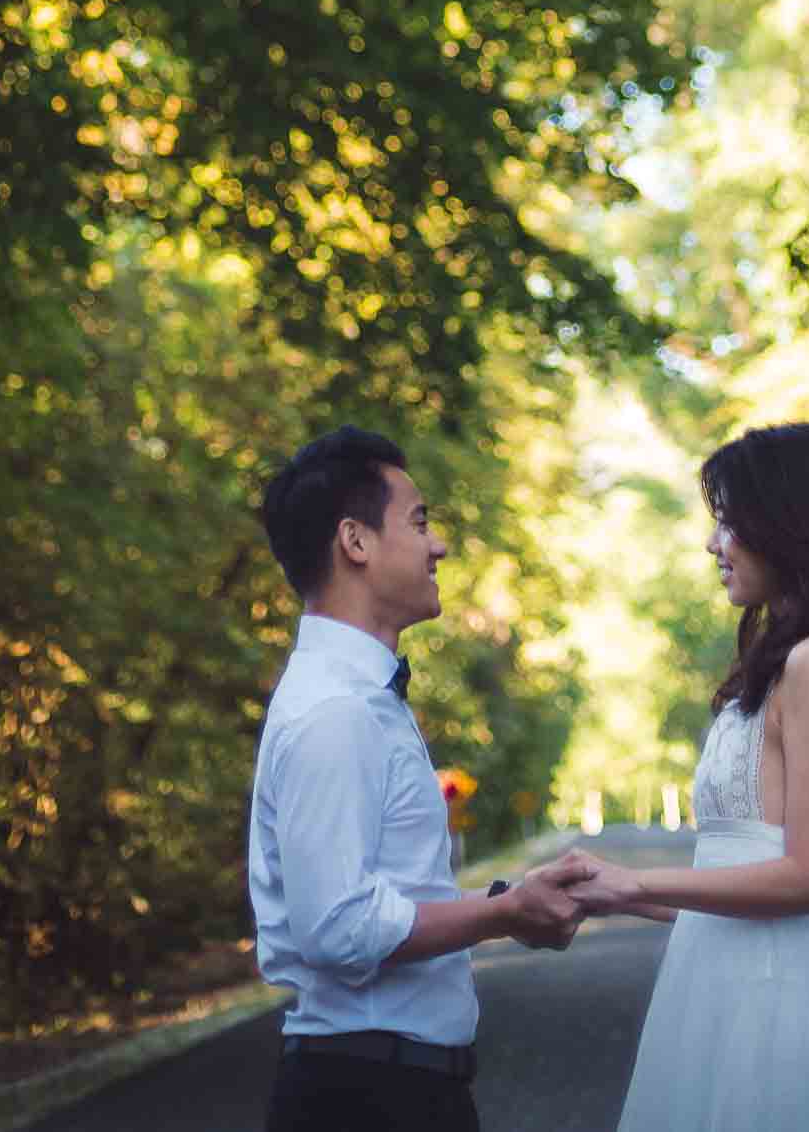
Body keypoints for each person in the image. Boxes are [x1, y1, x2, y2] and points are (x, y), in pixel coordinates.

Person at [564, 421, 809, 1132]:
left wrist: (638, 880)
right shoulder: (786, 660)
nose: (711, 545)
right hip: (718, 990)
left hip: (778, 1013)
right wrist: (608, 892)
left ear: (788, 525)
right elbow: (742, 879)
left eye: (728, 523)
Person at [248, 425, 586, 1132]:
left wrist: (512, 899)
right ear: (356, 542)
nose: (439, 545)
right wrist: (501, 914)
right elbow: (338, 927)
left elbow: (391, 896)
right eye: (420, 521)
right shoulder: (336, 711)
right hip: (367, 1095)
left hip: (390, 1085)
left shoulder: (361, 697)